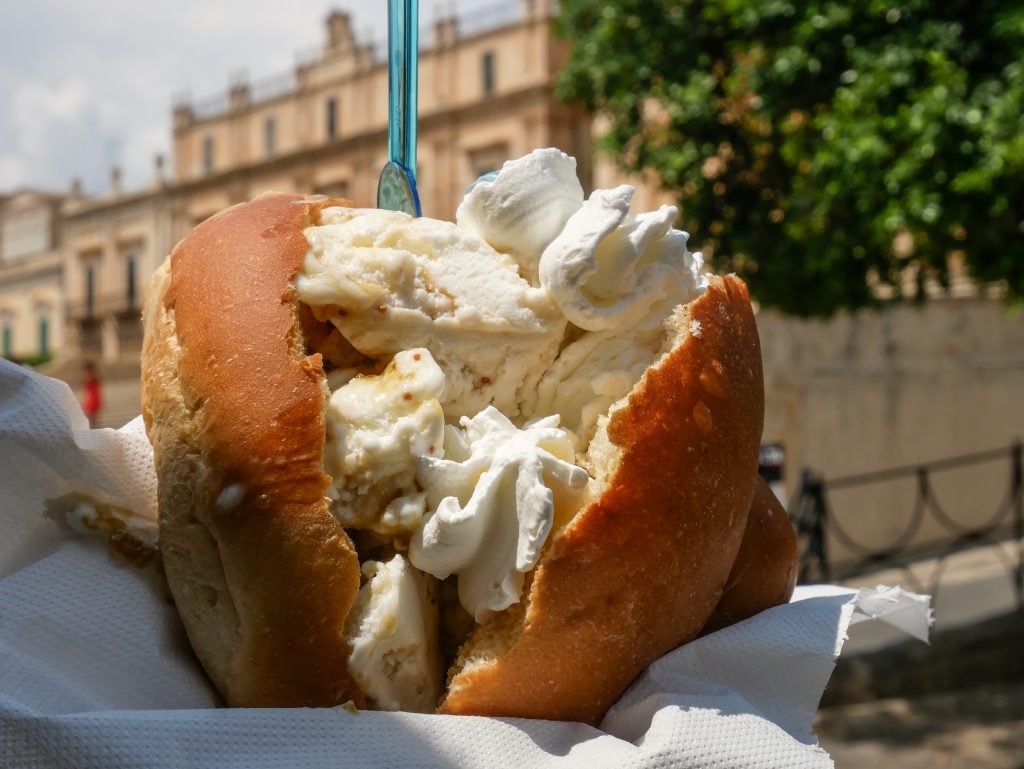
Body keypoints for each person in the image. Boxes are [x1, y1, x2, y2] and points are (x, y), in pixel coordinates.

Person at [82, 362, 103, 427]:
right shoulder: (87, 381)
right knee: (90, 421)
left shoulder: (95, 381)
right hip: (89, 403)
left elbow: (96, 393)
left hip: (94, 402)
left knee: (93, 420)